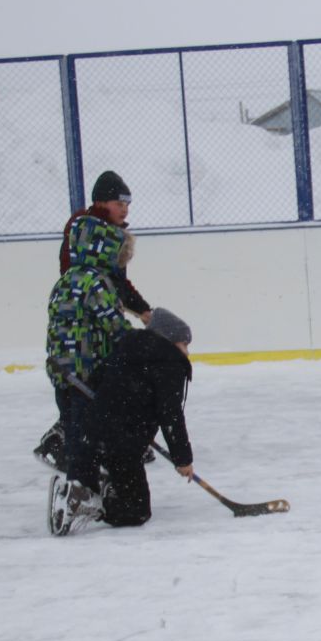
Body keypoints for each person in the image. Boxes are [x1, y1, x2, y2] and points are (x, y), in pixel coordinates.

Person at [34, 170, 152, 468]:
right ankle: (82, 447)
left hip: (80, 327)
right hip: (86, 325)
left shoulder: (103, 235)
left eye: (128, 202)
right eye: (119, 201)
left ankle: (90, 445)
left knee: (83, 393)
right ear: (102, 201)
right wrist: (141, 316)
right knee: (94, 390)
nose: (125, 208)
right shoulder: (94, 238)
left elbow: (115, 284)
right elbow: (110, 284)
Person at [54, 308, 196, 530]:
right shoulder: (170, 364)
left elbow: (96, 381)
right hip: (124, 443)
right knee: (137, 512)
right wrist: (183, 459)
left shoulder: (126, 347)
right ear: (168, 338)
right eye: (184, 344)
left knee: (115, 472)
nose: (186, 352)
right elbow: (171, 414)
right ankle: (89, 502)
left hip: (93, 428)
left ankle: (88, 490)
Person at [42, 207, 134, 524]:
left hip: (62, 374)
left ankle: (81, 487)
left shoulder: (65, 281)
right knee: (88, 437)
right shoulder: (96, 284)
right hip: (87, 375)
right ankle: (78, 491)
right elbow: (114, 327)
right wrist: (141, 347)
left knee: (75, 432)